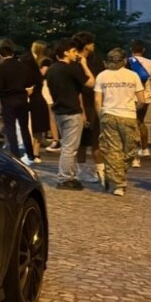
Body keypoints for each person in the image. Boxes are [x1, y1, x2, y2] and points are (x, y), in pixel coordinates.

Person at [94, 48, 146, 196]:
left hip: (108, 116)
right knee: (130, 151)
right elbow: (142, 101)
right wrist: (133, 108)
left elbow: (98, 101)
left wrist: (101, 118)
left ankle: (114, 176)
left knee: (113, 150)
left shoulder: (102, 76)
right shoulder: (133, 76)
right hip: (128, 116)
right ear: (124, 61)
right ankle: (119, 184)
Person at [45, 38, 93, 190]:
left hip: (59, 111)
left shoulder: (51, 69)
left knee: (67, 146)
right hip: (71, 111)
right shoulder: (70, 68)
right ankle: (65, 178)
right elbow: (91, 82)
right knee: (70, 148)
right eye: (73, 51)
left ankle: (67, 176)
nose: (75, 54)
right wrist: (84, 65)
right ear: (66, 52)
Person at [0, 42, 38, 164]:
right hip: (22, 99)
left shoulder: (2, 67)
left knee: (10, 129)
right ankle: (30, 154)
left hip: (8, 100)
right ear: (12, 54)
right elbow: (31, 81)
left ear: (1, 56)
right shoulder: (22, 66)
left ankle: (15, 155)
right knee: (24, 128)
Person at [73, 30, 106, 186]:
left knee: (96, 138)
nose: (94, 45)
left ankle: (99, 169)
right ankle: (82, 170)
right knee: (82, 141)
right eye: (91, 43)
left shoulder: (95, 59)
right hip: (82, 102)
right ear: (86, 45)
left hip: (94, 101)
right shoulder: (75, 60)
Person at [129, 39, 151, 161]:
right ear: (143, 50)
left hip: (132, 96)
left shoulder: (128, 62)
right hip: (146, 96)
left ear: (131, 50)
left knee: (132, 125)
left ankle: (135, 154)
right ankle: (145, 148)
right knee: (141, 122)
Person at [23, 41, 51, 147]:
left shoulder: (45, 61)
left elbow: (41, 75)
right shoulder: (28, 61)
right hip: (32, 94)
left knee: (38, 124)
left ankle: (35, 150)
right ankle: (34, 150)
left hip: (39, 93)